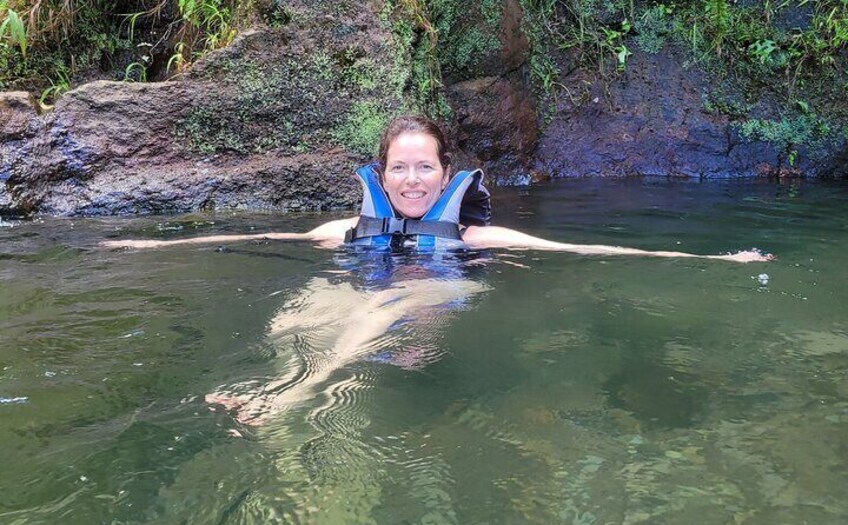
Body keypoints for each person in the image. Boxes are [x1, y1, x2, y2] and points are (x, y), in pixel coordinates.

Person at [102, 115, 773, 262]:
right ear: (381, 174)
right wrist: (146, 245)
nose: (414, 179)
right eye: (400, 167)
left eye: (426, 168)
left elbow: (585, 249)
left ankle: (281, 403)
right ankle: (274, 388)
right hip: (361, 286)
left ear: (448, 177)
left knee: (371, 322)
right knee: (303, 322)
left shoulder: (477, 234)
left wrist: (711, 259)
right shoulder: (346, 229)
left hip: (421, 314)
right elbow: (259, 234)